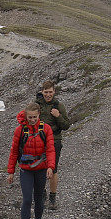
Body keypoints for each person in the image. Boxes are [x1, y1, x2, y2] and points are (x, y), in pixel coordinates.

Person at [7, 102, 56, 219]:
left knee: (39, 197)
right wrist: (11, 171)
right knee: (27, 199)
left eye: (35, 117)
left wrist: (50, 167)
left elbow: (51, 150)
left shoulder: (46, 129)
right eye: (30, 117)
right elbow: (14, 151)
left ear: (39, 115)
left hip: (41, 169)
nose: (32, 119)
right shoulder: (20, 130)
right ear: (26, 116)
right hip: (26, 169)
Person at [36, 80, 70, 210]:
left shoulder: (58, 106)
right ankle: (42, 195)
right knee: (39, 168)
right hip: (39, 141)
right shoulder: (36, 105)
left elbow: (66, 125)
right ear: (42, 92)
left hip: (55, 141)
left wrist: (58, 116)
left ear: (54, 92)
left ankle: (52, 198)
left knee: (53, 169)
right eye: (46, 92)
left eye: (50, 92)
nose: (48, 95)